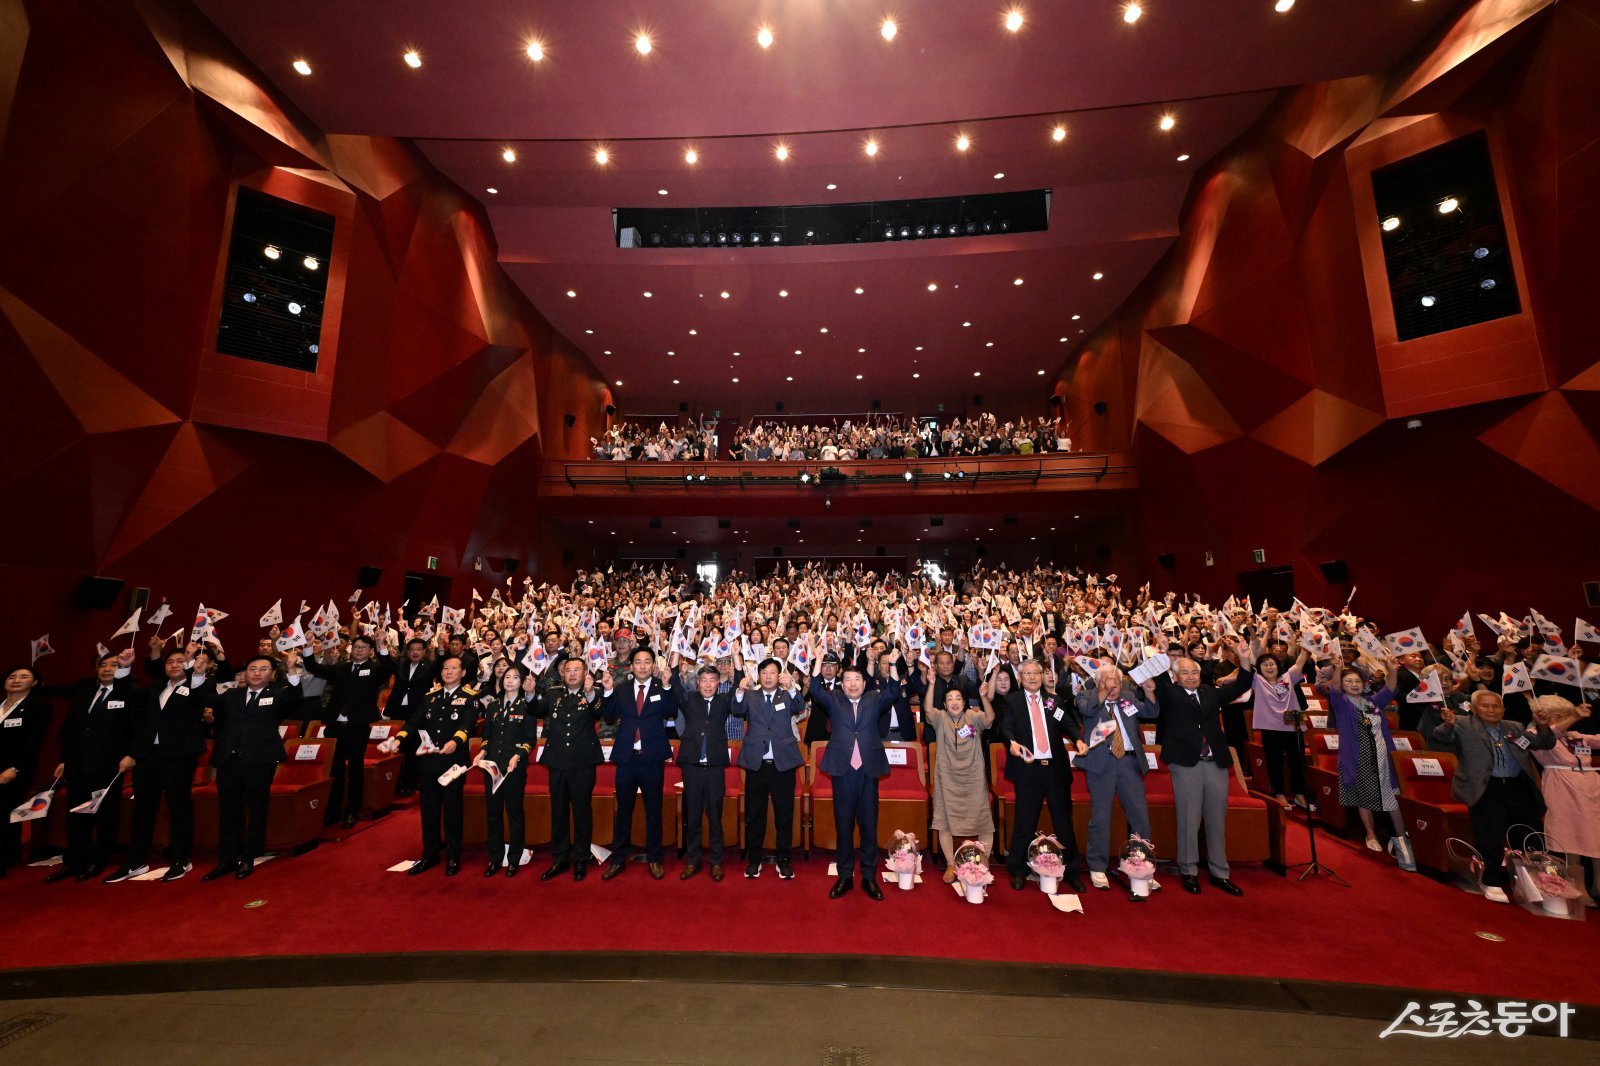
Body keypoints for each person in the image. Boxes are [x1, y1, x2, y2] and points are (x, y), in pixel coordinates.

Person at [1146, 639, 1255, 896]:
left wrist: (1244, 660)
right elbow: (1153, 676)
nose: (1191, 676)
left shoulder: (1209, 692)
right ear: (1175, 675)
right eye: (1185, 672)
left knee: (1217, 818)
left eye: (1194, 672)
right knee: (1189, 818)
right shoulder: (1169, 692)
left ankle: (1220, 872)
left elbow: (1242, 684)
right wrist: (1162, 653)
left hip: (1215, 763)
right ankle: (1189, 870)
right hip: (1186, 763)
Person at [1433, 690, 1555, 903]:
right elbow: (1441, 736)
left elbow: (1544, 743)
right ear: (1474, 708)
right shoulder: (1462, 723)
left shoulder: (1515, 727)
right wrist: (1448, 724)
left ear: (1503, 709)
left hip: (1517, 785)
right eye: (1485, 706)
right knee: (1491, 834)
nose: (1491, 710)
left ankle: (1534, 881)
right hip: (1486, 787)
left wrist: (1542, 725)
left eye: (1496, 706)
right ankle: (1491, 880)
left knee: (1530, 833)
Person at [107, 649, 215, 883]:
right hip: (149, 756)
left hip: (179, 756)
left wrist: (197, 674)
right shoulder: (155, 688)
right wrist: (123, 668)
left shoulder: (196, 686)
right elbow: (124, 694)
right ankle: (136, 861)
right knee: (142, 809)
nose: (174, 665)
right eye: (170, 661)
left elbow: (201, 700)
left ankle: (181, 859)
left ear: (189, 665)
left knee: (179, 807)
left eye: (180, 661)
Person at [44, 651, 143, 883]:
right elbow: (70, 730)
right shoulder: (84, 695)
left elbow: (138, 727)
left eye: (113, 665)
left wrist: (132, 754)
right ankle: (74, 861)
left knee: (105, 814)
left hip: (109, 764)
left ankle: (98, 860)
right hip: (77, 764)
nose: (107, 669)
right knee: (76, 814)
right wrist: (64, 759)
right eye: (103, 665)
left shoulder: (131, 693)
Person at [998, 660, 1087, 894]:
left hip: (1055, 770)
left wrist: (1078, 739)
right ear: (1020, 677)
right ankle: (1017, 869)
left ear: (1043, 675)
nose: (1032, 677)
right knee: (1025, 821)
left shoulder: (1053, 700)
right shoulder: (1012, 701)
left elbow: (1068, 723)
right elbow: (1005, 727)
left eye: (1036, 673)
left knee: (1064, 822)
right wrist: (1011, 742)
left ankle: (1071, 871)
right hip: (1028, 769)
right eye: (1027, 673)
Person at [1326, 650, 1416, 870]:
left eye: (1357, 681)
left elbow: (1390, 689)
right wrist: (1337, 669)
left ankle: (1401, 840)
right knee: (1364, 796)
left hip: (1383, 755)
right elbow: (1334, 689)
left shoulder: (1372, 703)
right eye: (1349, 681)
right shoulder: (1341, 703)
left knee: (1392, 796)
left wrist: (1392, 670)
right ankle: (1370, 834)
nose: (1354, 684)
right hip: (1358, 756)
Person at [205, 654, 293, 881]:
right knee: (228, 811)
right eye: (252, 668)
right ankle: (226, 859)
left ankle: (249, 857)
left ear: (272, 674)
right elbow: (202, 698)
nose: (256, 673)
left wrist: (293, 670)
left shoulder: (278, 694)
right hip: (230, 761)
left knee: (256, 810)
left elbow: (296, 697)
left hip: (260, 761)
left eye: (263, 669)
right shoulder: (231, 695)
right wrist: (196, 674)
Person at [386, 655, 474, 876]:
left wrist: (456, 742)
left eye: (453, 668)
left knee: (452, 810)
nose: (448, 672)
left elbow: (467, 725)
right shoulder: (430, 697)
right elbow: (414, 722)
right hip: (428, 761)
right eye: (445, 668)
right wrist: (399, 739)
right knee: (428, 811)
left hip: (453, 763)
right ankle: (430, 854)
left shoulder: (470, 698)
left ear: (463, 673)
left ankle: (453, 855)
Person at [1074, 663, 1159, 890]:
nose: (1114, 686)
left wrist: (1149, 691)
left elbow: (1151, 713)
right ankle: (1097, 866)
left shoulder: (1128, 697)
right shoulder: (1086, 695)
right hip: (1102, 764)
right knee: (1100, 817)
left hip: (1129, 762)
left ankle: (1140, 865)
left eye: (1118, 682)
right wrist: (1103, 692)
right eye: (1109, 681)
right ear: (1098, 682)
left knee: (1140, 817)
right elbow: (1087, 710)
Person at [817, 664, 898, 900]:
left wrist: (893, 665)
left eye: (857, 679)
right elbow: (814, 689)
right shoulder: (835, 699)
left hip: (867, 770)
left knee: (869, 825)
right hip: (843, 771)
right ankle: (844, 876)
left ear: (864, 683)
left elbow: (893, 691)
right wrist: (818, 660)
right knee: (843, 825)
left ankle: (869, 877)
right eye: (848, 680)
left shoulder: (873, 699)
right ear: (842, 684)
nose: (852, 684)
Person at [299, 632, 394, 828]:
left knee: (355, 769)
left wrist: (381, 645)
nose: (358, 650)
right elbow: (313, 667)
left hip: (357, 726)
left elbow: (388, 668)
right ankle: (333, 810)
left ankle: (352, 810)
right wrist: (308, 647)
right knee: (334, 769)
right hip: (335, 726)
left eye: (363, 648)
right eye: (356, 647)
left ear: (370, 651)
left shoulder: (374, 669)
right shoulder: (341, 668)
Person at [599, 647, 675, 880]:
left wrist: (667, 686)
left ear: (653, 665)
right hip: (627, 758)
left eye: (647, 661)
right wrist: (608, 690)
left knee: (654, 810)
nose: (642, 666)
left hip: (652, 759)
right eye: (638, 662)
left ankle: (655, 858)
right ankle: (618, 859)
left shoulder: (660, 686)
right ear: (631, 666)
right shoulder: (621, 689)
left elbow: (671, 711)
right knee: (623, 810)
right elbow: (609, 716)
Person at [532, 657, 605, 881]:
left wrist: (591, 694)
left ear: (585, 673)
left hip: (582, 763)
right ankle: (560, 858)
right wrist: (530, 693)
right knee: (559, 812)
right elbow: (536, 709)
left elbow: (600, 712)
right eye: (568, 670)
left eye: (577, 670)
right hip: (557, 762)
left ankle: (581, 858)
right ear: (562, 673)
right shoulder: (554, 693)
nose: (572, 674)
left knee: (582, 812)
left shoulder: (593, 692)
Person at [731, 658, 804, 879]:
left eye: (772, 673)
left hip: (783, 765)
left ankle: (784, 860)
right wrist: (740, 690)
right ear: (759, 676)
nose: (768, 677)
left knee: (784, 814)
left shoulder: (786, 694)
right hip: (757, 764)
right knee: (755, 814)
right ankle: (755, 860)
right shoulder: (751, 696)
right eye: (764, 673)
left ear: (779, 675)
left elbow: (800, 707)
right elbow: (736, 709)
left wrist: (793, 688)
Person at [1528, 695, 1600, 903]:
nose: (1565, 720)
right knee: (1570, 835)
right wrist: (1574, 716)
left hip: (1591, 788)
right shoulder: (1534, 735)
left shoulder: (1575, 735)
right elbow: (1549, 736)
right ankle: (1577, 887)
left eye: (1566, 715)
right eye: (1558, 716)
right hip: (1562, 787)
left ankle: (1598, 884)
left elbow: (1597, 739)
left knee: (1595, 834)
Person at [922, 678, 995, 882]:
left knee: (984, 822)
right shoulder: (940, 718)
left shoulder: (973, 716)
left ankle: (983, 864)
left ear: (964, 702)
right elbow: (927, 709)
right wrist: (931, 684)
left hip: (974, 778)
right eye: (950, 699)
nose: (954, 702)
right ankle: (950, 864)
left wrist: (984, 697)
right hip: (947, 778)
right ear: (945, 704)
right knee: (944, 822)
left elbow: (990, 718)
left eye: (958, 698)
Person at [673, 664, 733, 880]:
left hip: (715, 766)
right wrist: (674, 662)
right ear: (697, 683)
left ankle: (716, 861)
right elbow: (675, 687)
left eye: (712, 680)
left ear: (718, 683)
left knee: (715, 815)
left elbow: (738, 688)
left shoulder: (724, 700)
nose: (708, 685)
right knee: (693, 814)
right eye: (704, 680)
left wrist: (738, 663)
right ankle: (693, 860)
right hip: (692, 766)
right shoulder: (689, 698)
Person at [475, 664, 534, 877]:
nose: (509, 680)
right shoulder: (493, 705)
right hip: (492, 767)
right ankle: (495, 857)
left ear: (522, 681)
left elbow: (529, 740)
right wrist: (482, 752)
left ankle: (514, 858)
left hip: (513, 768)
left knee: (514, 813)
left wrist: (517, 756)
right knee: (493, 814)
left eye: (515, 677)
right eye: (507, 677)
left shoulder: (527, 706)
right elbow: (487, 736)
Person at [0, 666, 50, 879]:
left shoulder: (37, 707)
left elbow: (32, 742)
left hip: (15, 769)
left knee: (5, 810)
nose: (16, 680)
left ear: (34, 682)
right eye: (11, 677)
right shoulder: (1, 705)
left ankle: (5, 858)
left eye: (23, 677)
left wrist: (14, 768)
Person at [1249, 639, 1310, 809]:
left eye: (1272, 664)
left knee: (1297, 762)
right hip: (1270, 729)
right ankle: (1279, 794)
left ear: (1278, 666)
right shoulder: (1257, 681)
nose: (1269, 667)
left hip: (1293, 726)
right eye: (1265, 665)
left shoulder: (1288, 677)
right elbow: (1248, 661)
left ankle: (1299, 795)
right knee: (1274, 762)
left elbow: (1300, 661)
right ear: (1259, 668)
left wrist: (1306, 648)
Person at [385, 638, 434, 796]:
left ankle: (409, 784)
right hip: (398, 711)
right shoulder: (401, 664)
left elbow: (440, 663)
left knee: (413, 749)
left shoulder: (428, 666)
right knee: (396, 747)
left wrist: (439, 649)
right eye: (412, 649)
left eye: (419, 649)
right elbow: (385, 663)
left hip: (417, 712)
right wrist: (382, 648)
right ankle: (393, 784)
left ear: (424, 651)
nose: (415, 652)